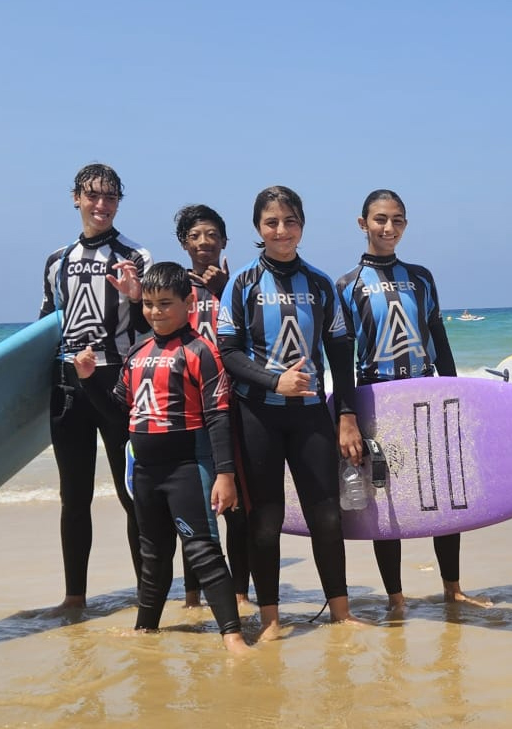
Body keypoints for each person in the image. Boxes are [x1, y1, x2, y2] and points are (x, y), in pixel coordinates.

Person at [73, 262, 251, 654]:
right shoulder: (137, 353)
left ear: (188, 303)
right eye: (149, 304)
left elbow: (218, 417)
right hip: (146, 472)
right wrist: (88, 381)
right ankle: (145, 628)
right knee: (152, 553)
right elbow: (117, 414)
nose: (155, 312)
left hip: (188, 466)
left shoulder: (200, 352)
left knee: (202, 550)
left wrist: (225, 475)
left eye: (165, 304)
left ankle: (233, 636)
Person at [216, 186, 364, 637]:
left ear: (302, 225)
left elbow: (341, 353)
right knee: (266, 519)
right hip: (257, 415)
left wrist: (346, 414)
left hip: (309, 417)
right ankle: (271, 619)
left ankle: (341, 613)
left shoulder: (320, 284)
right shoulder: (242, 283)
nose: (282, 230)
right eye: (271, 222)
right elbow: (228, 351)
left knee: (327, 515)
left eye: (290, 221)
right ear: (259, 228)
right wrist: (273, 380)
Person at [335, 190, 490, 614]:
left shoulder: (421, 277)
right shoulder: (347, 286)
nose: (389, 228)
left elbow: (438, 340)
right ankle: (396, 598)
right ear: (362, 223)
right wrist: (346, 413)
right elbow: (343, 358)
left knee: (445, 492)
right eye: (381, 219)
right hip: (376, 398)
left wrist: (457, 396)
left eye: (398, 220)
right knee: (386, 497)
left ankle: (453, 589)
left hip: (425, 394)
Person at [38, 163, 150, 612]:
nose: (102, 205)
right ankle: (74, 597)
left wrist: (137, 296)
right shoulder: (56, 260)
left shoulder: (135, 255)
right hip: (68, 387)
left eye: (111, 197)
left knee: (132, 492)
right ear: (76, 198)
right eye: (93, 196)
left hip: (116, 383)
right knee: (74, 496)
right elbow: (45, 327)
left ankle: (148, 592)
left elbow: (148, 328)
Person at [171, 204, 251, 612]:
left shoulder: (240, 283)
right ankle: (191, 596)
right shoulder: (173, 285)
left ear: (224, 241)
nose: (204, 242)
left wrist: (223, 290)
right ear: (184, 243)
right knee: (196, 506)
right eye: (195, 235)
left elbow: (257, 332)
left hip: (233, 405)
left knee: (237, 508)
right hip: (187, 408)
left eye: (211, 234)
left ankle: (239, 593)